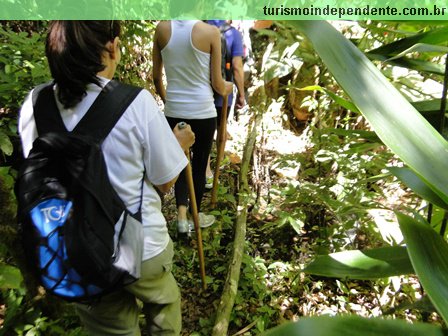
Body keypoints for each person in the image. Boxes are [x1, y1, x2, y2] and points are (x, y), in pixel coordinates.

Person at [18, 21, 195, 336]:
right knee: (163, 307)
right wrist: (178, 146)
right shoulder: (135, 103)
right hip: (142, 249)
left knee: (109, 327)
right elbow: (165, 181)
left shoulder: (34, 104)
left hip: (78, 249)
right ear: (111, 47)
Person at [153, 15, 233, 234]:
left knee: (180, 161)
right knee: (199, 165)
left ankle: (180, 217)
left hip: (174, 110)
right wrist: (228, 87)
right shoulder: (211, 32)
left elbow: (156, 78)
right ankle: (194, 216)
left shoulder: (161, 29)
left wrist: (170, 103)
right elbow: (217, 84)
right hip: (203, 111)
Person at [204, 19, 246, 188]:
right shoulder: (233, 33)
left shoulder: (199, 27)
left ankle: (206, 171)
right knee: (221, 128)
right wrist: (242, 94)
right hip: (223, 92)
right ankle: (218, 171)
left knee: (204, 133)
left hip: (202, 90)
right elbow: (236, 67)